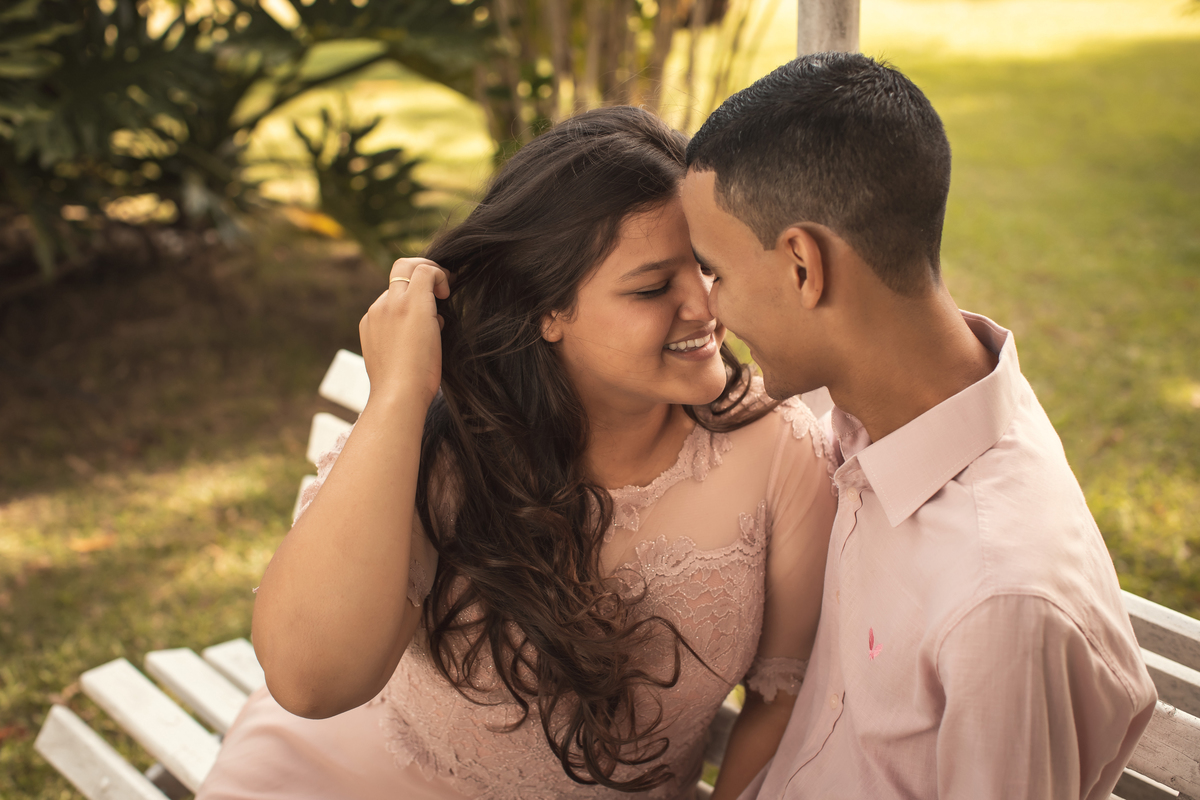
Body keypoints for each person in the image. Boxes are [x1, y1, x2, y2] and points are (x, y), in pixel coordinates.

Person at [197, 106, 837, 800]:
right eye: (654, 287)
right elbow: (308, 679)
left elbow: (782, 703)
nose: (704, 307)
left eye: (710, 267)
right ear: (548, 311)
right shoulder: (448, 444)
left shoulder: (779, 454)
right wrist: (399, 396)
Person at [679, 52, 1157, 800]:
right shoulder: (893, 418)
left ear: (804, 267)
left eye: (717, 272)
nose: (709, 307)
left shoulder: (1000, 604)